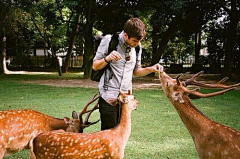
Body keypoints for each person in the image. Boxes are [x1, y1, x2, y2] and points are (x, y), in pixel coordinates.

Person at [92, 17, 163, 130]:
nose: (137, 43)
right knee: (108, 137)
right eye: (135, 40)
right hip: (108, 97)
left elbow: (136, 71)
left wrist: (151, 68)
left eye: (139, 41)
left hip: (125, 100)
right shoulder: (109, 41)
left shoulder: (137, 47)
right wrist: (108, 58)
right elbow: (95, 66)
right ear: (125, 35)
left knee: (121, 134)